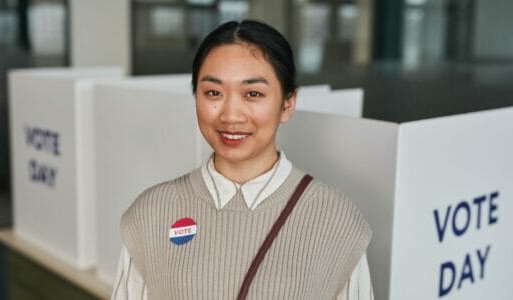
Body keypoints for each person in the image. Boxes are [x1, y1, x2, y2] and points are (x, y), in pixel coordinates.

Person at [112, 19, 373, 300]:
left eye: (253, 94)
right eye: (213, 92)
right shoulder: (150, 214)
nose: (231, 115)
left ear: (287, 104)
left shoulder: (336, 220)